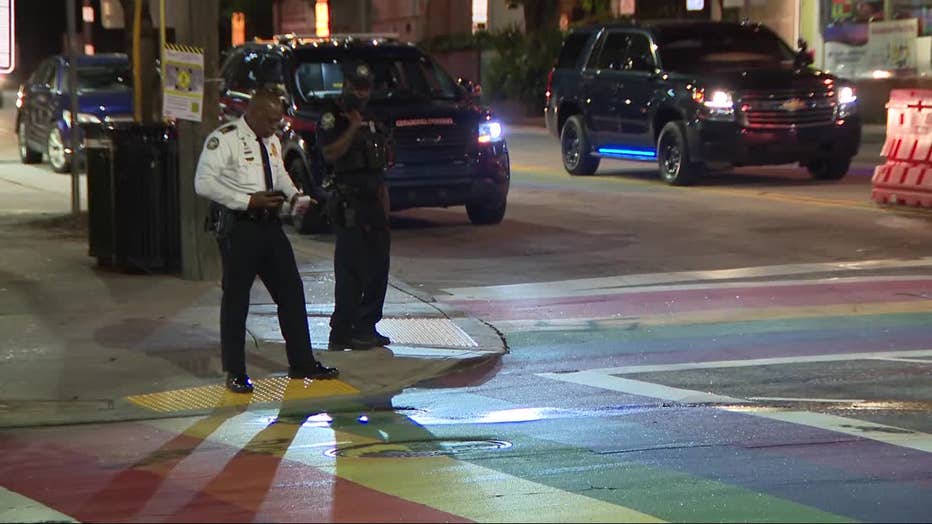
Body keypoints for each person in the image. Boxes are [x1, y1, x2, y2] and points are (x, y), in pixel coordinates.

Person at [195, 86, 339, 394]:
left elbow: (280, 174)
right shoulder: (226, 139)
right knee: (236, 300)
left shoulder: (271, 140)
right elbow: (203, 183)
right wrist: (247, 201)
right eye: (272, 119)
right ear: (256, 113)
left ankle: (302, 362)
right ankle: (235, 371)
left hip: (270, 226)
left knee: (291, 292)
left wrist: (295, 195)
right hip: (240, 227)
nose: (277, 126)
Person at [317, 62, 393, 351]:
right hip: (349, 202)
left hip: (374, 201)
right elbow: (330, 153)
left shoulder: (374, 117)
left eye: (365, 88)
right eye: (355, 87)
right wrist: (351, 126)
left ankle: (367, 326)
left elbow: (381, 169)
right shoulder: (332, 116)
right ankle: (342, 331)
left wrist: (386, 211)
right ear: (345, 85)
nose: (360, 93)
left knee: (379, 267)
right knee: (351, 271)